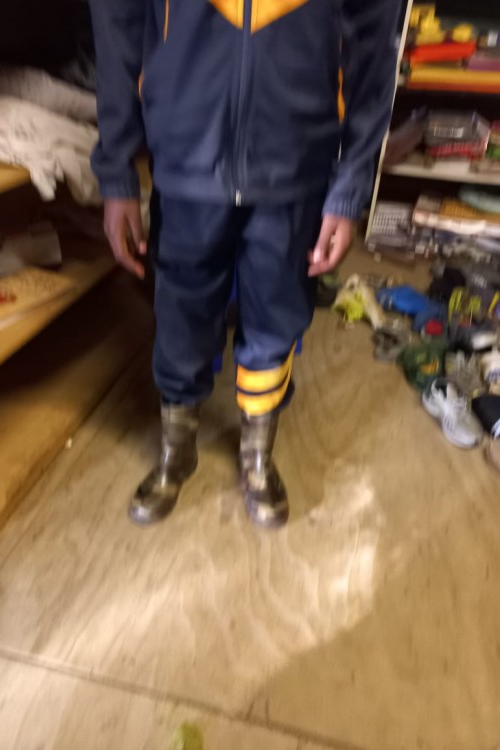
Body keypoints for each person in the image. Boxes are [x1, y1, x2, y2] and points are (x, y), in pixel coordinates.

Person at [89, 0, 402, 528]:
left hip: (297, 162)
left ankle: (257, 452)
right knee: (181, 315)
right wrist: (116, 171)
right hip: (186, 155)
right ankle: (176, 448)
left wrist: (351, 188)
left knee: (277, 314)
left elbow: (376, 48)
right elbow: (115, 23)